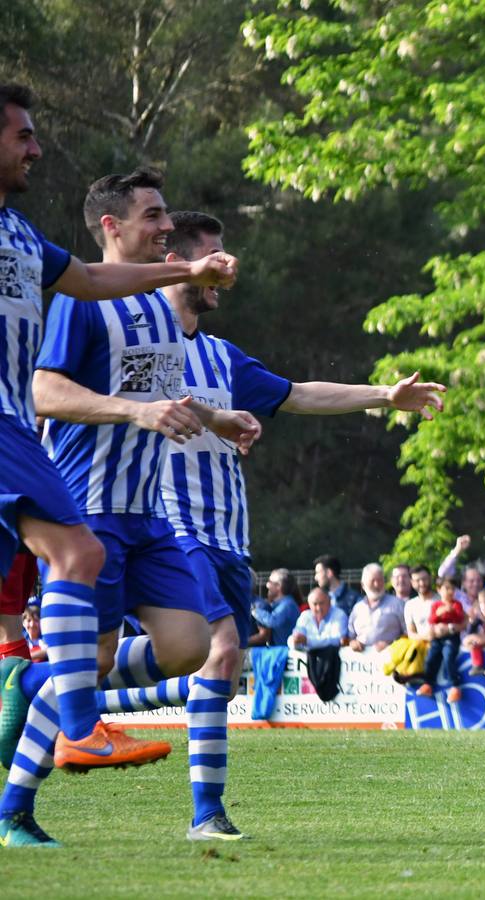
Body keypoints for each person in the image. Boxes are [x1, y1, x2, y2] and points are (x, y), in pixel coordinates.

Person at [132, 209, 441, 839]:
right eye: (214, 257)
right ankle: (206, 815)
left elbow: (301, 394)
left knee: (206, 663)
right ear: (178, 264)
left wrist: (384, 395)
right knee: (216, 654)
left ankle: (59, 687)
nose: (227, 269)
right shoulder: (139, 344)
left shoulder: (223, 357)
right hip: (171, 524)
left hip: (227, 536)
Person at [0, 86, 241, 848]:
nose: (37, 148)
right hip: (75, 482)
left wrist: (210, 413)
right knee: (80, 556)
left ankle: (46, 704)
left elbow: (98, 287)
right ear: (114, 224)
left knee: (190, 646)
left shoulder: (22, 236)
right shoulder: (73, 302)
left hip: (138, 508)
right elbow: (49, 386)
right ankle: (73, 715)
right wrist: (137, 411)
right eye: (24, 135)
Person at [420, 578, 466, 703]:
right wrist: (439, 614)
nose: (450, 591)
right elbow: (431, 620)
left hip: (452, 637)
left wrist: (452, 612)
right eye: (447, 588)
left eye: (452, 589)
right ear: (439, 590)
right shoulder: (436, 605)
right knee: (430, 658)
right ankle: (428, 684)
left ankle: (455, 686)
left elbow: (461, 618)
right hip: (437, 638)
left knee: (448, 656)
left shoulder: (457, 604)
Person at [347, 563, 406, 652]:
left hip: (392, 659)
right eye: (372, 581)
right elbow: (350, 636)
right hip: (362, 662)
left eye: (380, 580)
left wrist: (392, 643)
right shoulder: (357, 608)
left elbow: (409, 633)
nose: (376, 584)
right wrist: (353, 643)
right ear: (363, 585)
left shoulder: (398, 604)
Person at [248, 568, 302, 648]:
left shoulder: (287, 604)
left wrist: (254, 610)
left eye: (270, 582)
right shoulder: (281, 604)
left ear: (279, 586)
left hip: (286, 652)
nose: (267, 585)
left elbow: (273, 621)